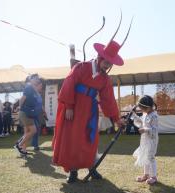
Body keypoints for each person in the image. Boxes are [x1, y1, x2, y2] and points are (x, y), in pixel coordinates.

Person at [52, 30, 130, 183]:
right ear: (100, 58)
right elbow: (69, 84)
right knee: (73, 140)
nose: (107, 66)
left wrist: (116, 119)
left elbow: (109, 100)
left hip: (90, 111)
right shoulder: (81, 67)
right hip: (74, 109)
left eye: (110, 64)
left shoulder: (105, 79)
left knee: (90, 139)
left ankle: (91, 167)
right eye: (106, 62)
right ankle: (73, 172)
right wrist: (68, 106)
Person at [131, 95, 159, 185]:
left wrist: (145, 130)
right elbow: (141, 123)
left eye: (143, 108)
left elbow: (154, 130)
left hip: (151, 140)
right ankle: (146, 175)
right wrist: (134, 115)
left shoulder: (154, 116)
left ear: (148, 107)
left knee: (150, 157)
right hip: (145, 139)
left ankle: (153, 177)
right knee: (144, 156)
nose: (142, 110)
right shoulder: (145, 113)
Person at [14, 74, 43, 156]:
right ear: (31, 79)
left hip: (29, 113)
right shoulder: (29, 87)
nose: (37, 80)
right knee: (33, 130)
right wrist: (21, 108)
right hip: (26, 113)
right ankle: (18, 145)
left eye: (38, 78)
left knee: (27, 132)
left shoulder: (33, 89)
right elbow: (22, 99)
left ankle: (22, 150)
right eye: (35, 78)